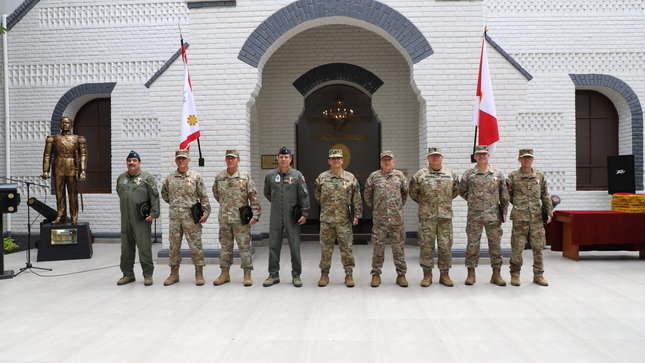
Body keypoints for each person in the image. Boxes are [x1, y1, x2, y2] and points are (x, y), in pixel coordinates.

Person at [459, 145, 510, 286]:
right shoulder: (469, 174)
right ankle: (471, 274)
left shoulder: (497, 173)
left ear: (489, 156)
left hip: (493, 216)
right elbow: (462, 191)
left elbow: (504, 194)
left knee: (495, 246)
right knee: (472, 245)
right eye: (479, 154)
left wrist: (504, 212)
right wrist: (474, 200)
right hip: (474, 216)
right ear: (475, 156)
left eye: (484, 154)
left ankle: (496, 274)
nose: (482, 156)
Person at [409, 146, 459, 287]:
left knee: (445, 246)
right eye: (432, 156)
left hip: (445, 217)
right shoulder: (420, 175)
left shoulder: (451, 174)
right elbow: (413, 193)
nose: (435, 158)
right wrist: (426, 204)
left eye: (438, 155)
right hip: (427, 217)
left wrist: (442, 203)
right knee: (426, 246)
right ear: (428, 158)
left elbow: (455, 191)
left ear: (442, 157)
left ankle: (445, 275)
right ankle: (427, 275)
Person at [314, 148, 363, 288]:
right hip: (326, 221)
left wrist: (357, 215)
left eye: (339, 158)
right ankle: (324, 274)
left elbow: (357, 198)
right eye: (333, 158)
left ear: (343, 160)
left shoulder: (350, 177)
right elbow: (317, 195)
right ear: (329, 161)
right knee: (325, 249)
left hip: (344, 221)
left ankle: (348, 274)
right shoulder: (322, 178)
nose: (336, 160)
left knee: (346, 249)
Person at [161, 150, 211, 286]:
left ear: (189, 160)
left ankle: (199, 273)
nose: (181, 161)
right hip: (175, 218)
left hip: (191, 219)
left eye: (184, 158)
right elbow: (164, 194)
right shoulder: (169, 177)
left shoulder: (196, 176)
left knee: (195, 246)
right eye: (179, 159)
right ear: (175, 160)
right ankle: (174, 273)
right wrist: (176, 204)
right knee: (174, 247)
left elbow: (203, 196)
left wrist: (206, 213)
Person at [212, 149, 261, 287]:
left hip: (241, 220)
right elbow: (216, 194)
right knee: (225, 248)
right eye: (228, 158)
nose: (230, 160)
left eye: (233, 158)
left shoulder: (245, 176)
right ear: (225, 160)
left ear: (238, 160)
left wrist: (255, 215)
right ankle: (224, 274)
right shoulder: (220, 177)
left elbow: (253, 197)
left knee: (244, 248)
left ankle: (247, 274)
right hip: (225, 219)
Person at [263, 147, 310, 287]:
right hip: (276, 215)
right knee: (273, 246)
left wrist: (305, 213)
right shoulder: (271, 175)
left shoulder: (297, 175)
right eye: (281, 157)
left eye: (286, 157)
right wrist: (278, 203)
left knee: (294, 246)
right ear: (278, 158)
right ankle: (273, 274)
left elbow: (304, 195)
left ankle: (296, 275)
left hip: (292, 216)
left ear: (291, 159)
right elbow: (266, 192)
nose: (284, 159)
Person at [506, 149, 553, 286]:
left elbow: (545, 195)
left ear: (533, 159)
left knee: (538, 247)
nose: (527, 160)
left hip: (537, 217)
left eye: (529, 158)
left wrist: (549, 212)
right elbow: (508, 195)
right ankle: (515, 274)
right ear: (519, 160)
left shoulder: (539, 175)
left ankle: (538, 275)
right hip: (520, 217)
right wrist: (520, 205)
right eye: (524, 158)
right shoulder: (513, 176)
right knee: (517, 247)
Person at [364, 151, 409, 287]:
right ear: (381, 163)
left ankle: (401, 275)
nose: (387, 162)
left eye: (389, 160)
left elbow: (404, 194)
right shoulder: (374, 176)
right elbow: (367, 195)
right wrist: (377, 207)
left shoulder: (400, 176)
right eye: (384, 160)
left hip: (396, 219)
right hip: (379, 219)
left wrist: (396, 207)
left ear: (393, 162)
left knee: (398, 247)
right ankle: (376, 274)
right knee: (378, 247)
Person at [115, 151, 160, 286]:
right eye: (129, 160)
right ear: (126, 163)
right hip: (125, 218)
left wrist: (154, 213)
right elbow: (119, 192)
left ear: (139, 163)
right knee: (126, 247)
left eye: (134, 160)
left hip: (141, 218)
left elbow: (154, 196)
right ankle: (128, 274)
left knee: (144, 246)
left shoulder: (147, 178)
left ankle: (148, 275)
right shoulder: (121, 178)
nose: (132, 163)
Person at [41, 116, 87, 224]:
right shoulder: (52, 139)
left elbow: (83, 155)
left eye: (67, 123)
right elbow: (47, 155)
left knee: (73, 193)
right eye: (63, 123)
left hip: (72, 166)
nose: (65, 125)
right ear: (59, 125)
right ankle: (60, 215)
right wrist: (45, 171)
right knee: (59, 193)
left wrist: (83, 171)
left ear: (71, 124)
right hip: (58, 166)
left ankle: (74, 216)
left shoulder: (78, 139)